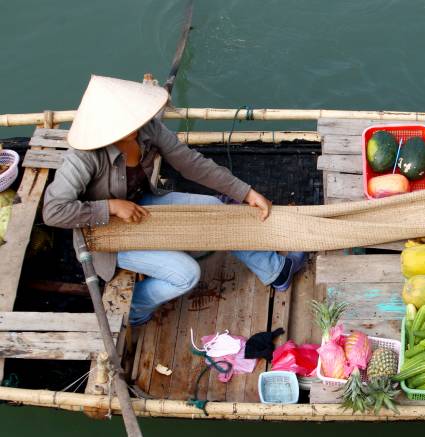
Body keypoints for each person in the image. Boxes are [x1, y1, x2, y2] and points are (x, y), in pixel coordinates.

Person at [43, 75, 307, 325]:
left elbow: (191, 163)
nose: (137, 123)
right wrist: (110, 206)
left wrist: (245, 192)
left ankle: (276, 272)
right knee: (186, 275)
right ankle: (135, 310)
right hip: (105, 236)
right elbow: (53, 211)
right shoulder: (82, 157)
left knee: (217, 210)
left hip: (142, 207)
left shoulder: (147, 128)